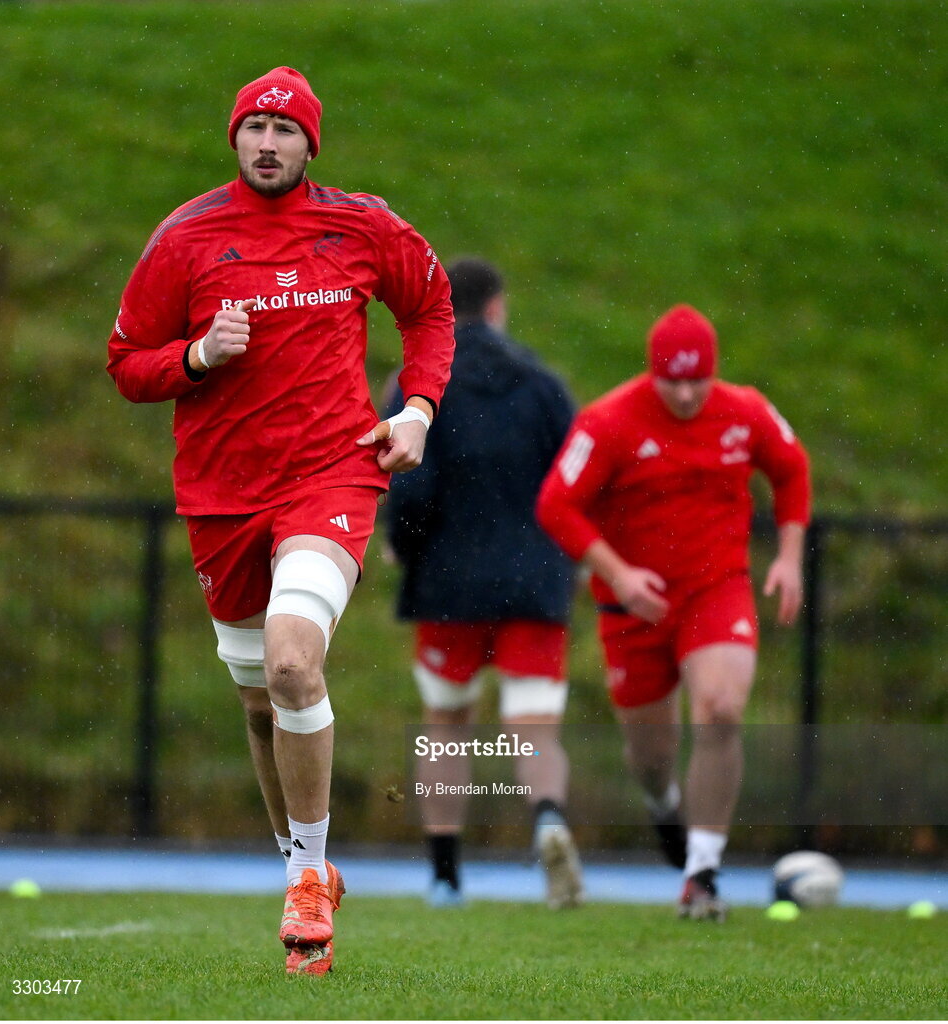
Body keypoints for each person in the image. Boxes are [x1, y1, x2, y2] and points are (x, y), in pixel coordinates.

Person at [106, 67, 454, 974]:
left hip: (331, 474)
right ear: (235, 138)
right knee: (261, 702)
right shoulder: (186, 236)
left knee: (297, 661)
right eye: (254, 126)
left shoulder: (362, 224)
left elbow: (431, 309)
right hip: (221, 493)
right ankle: (308, 870)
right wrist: (195, 354)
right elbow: (127, 363)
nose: (268, 142)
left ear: (311, 146)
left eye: (285, 130)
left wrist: (416, 410)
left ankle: (304, 887)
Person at [536, 304, 811, 920]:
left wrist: (790, 555)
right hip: (632, 608)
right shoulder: (608, 421)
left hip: (717, 589)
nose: (686, 394)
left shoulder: (745, 410)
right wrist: (618, 574)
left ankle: (702, 872)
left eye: (698, 380)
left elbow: (792, 469)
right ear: (651, 371)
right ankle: (666, 808)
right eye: (672, 381)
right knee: (651, 759)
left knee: (720, 709)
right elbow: (556, 504)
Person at [384, 257, 583, 910]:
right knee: (534, 726)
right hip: (536, 579)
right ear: (497, 307)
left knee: (446, 723)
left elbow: (410, 485)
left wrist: (402, 546)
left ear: (442, 311)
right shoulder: (544, 384)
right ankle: (549, 819)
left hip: (450, 581)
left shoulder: (420, 388)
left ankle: (445, 876)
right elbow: (577, 480)